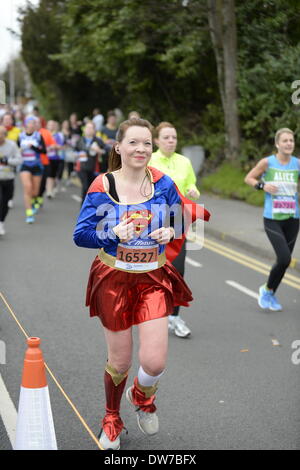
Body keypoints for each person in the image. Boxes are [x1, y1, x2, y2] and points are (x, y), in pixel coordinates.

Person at [73, 117, 197, 450]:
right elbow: (80, 235)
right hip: (113, 278)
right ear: (119, 147)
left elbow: (182, 216)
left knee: (155, 362)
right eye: (133, 142)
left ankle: (142, 396)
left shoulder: (164, 183)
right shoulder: (102, 186)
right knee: (120, 362)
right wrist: (111, 233)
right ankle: (112, 418)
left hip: (153, 278)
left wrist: (171, 230)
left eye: (146, 143)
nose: (141, 149)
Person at [149, 121, 200, 338]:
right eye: (167, 137)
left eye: (174, 137)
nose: (171, 141)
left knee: (178, 271)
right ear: (157, 140)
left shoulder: (184, 162)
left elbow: (192, 184)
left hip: (178, 221)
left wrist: (192, 190)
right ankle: (149, 312)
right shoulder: (149, 160)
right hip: (151, 222)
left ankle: (174, 316)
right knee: (152, 270)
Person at [245, 128, 300, 311]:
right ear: (277, 144)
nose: (288, 144)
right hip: (273, 218)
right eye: (285, 141)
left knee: (284, 261)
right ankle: (267, 290)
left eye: (291, 140)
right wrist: (262, 185)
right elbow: (249, 178)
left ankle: (269, 291)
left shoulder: (297, 164)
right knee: (284, 258)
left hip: (293, 218)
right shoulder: (267, 162)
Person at [18, 117, 46, 223]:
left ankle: (34, 200)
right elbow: (15, 150)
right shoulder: (20, 136)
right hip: (24, 165)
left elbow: (44, 151)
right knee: (27, 187)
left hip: (36, 165)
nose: (32, 125)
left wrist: (33, 147)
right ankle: (29, 213)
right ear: (26, 124)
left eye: (34, 123)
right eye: (30, 123)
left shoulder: (38, 136)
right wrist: (20, 150)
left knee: (35, 192)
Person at [75, 121, 109, 202]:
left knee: (92, 189)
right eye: (87, 128)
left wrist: (99, 151)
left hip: (94, 168)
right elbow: (74, 151)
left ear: (94, 130)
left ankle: (90, 206)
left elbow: (106, 151)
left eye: (91, 128)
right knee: (85, 187)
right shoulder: (80, 140)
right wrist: (77, 155)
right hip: (82, 167)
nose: (89, 130)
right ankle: (83, 208)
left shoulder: (98, 141)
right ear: (84, 129)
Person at [0, 126, 22, 235]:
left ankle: (1, 222)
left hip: (8, 177)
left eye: (1, 134)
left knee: (5, 202)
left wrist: (8, 161)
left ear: (5, 135)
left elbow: (19, 160)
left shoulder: (12, 145)